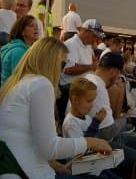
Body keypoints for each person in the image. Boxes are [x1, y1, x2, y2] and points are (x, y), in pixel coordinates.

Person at [0, 37, 112, 179]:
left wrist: (59, 167)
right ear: (50, 62)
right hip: (29, 171)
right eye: (62, 64)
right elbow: (49, 148)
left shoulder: (18, 83)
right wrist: (92, 142)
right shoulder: (40, 84)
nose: (64, 70)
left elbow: (30, 142)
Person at [59, 18, 105, 124]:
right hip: (69, 87)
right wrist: (90, 67)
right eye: (94, 36)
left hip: (81, 85)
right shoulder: (71, 44)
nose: (95, 40)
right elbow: (68, 70)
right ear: (86, 31)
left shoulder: (87, 46)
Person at [1, 15, 41, 85]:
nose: (36, 28)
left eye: (37, 26)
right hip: (12, 92)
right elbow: (19, 79)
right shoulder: (18, 51)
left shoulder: (24, 48)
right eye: (31, 26)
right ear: (22, 31)